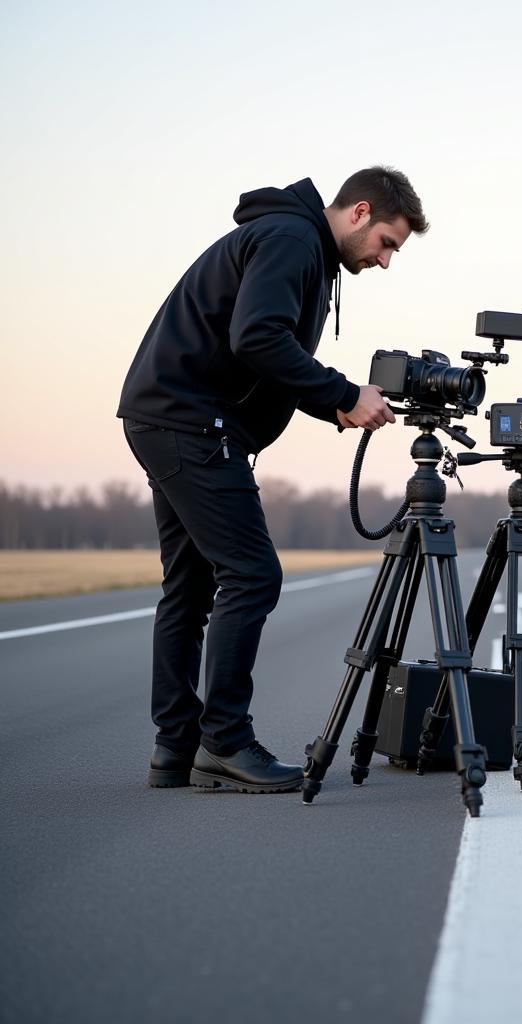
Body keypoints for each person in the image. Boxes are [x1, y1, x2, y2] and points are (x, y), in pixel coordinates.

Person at [118, 167, 428, 793]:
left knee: (189, 586)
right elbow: (258, 336)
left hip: (168, 416)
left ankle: (174, 748)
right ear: (360, 212)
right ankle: (224, 742)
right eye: (388, 243)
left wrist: (332, 404)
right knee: (252, 574)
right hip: (192, 424)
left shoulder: (291, 238)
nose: (387, 261)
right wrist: (342, 391)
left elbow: (259, 346)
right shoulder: (291, 238)